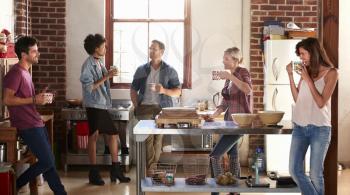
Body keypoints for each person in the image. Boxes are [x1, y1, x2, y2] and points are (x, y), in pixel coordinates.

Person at [3, 36, 67, 195]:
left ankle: (61, 193)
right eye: (34, 51)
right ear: (24, 55)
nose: (37, 54)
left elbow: (25, 100)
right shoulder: (15, 73)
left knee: (49, 163)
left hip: (35, 122)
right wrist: (33, 99)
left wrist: (40, 99)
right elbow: (7, 99)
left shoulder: (25, 72)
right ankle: (15, 185)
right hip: (28, 126)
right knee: (48, 161)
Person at [287, 37, 338, 195]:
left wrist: (308, 80)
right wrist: (290, 76)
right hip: (300, 128)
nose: (301, 58)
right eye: (299, 55)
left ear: (313, 53)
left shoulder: (331, 73)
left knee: (315, 174)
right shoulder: (306, 72)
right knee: (295, 170)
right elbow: (298, 100)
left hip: (320, 129)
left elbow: (321, 102)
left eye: (303, 54)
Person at [80, 33, 130, 185]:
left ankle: (114, 170)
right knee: (96, 136)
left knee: (110, 135)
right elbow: (89, 88)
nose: (105, 49)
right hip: (94, 105)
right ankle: (96, 172)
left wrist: (108, 74)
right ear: (96, 49)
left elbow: (102, 81)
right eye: (103, 46)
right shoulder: (87, 65)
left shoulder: (99, 62)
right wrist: (106, 76)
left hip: (101, 104)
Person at [207, 47, 252, 195]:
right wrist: (214, 114)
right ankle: (235, 191)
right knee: (233, 156)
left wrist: (231, 76)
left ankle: (218, 190)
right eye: (223, 58)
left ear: (235, 60)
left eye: (226, 58)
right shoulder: (228, 77)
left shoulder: (243, 73)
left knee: (215, 155)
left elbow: (248, 90)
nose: (223, 61)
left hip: (241, 123)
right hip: (229, 122)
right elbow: (225, 101)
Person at [130, 40, 181, 167]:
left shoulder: (170, 70)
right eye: (150, 48)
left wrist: (163, 90)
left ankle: (151, 169)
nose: (151, 51)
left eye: (154, 49)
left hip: (162, 109)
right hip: (145, 108)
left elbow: (178, 92)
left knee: (158, 139)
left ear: (161, 51)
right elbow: (133, 89)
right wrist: (137, 106)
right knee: (148, 138)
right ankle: (152, 169)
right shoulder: (141, 69)